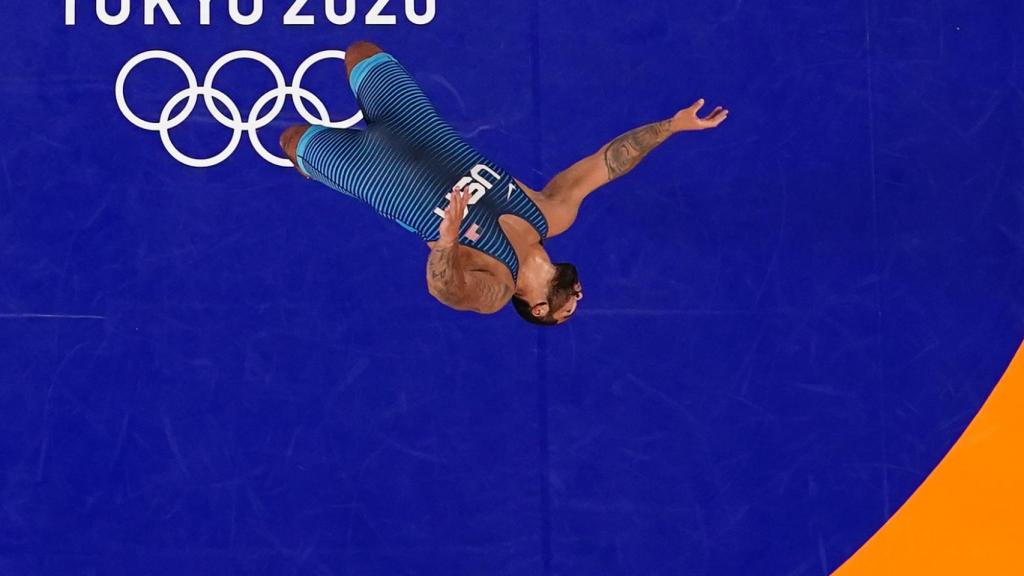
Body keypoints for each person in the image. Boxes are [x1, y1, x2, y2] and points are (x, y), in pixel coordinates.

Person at [280, 41, 728, 325]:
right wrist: (670, 127)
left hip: (374, 173)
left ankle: (316, 168)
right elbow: (606, 164)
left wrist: (446, 243)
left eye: (569, 308)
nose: (579, 295)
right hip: (415, 125)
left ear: (538, 308)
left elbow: (446, 290)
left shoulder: (495, 285)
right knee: (360, 52)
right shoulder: (552, 214)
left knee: (292, 139)